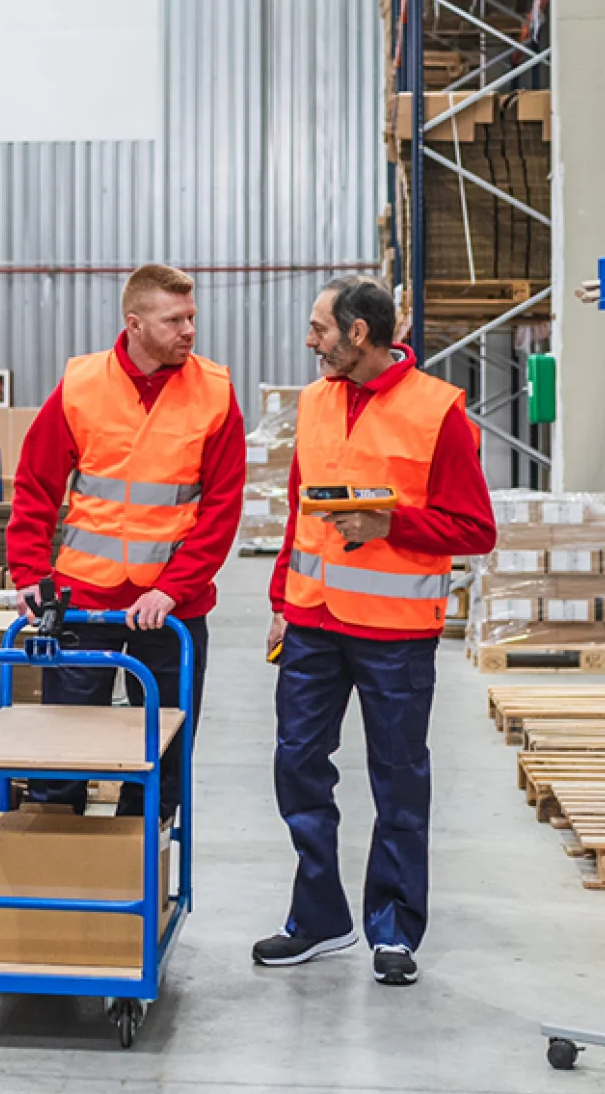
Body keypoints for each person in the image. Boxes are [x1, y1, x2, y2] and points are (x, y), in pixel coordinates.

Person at [253, 275, 496, 987]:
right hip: (311, 619)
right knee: (297, 764)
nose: (309, 341)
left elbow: (476, 528)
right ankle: (319, 917)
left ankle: (392, 927)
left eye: (319, 328)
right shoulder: (315, 400)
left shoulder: (438, 411)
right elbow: (301, 505)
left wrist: (393, 522)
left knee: (397, 779)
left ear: (359, 335)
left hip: (394, 631)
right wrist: (279, 595)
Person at [6, 264, 244, 818]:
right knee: (65, 749)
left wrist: (175, 588)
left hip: (171, 609)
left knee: (162, 754)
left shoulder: (214, 393)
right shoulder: (81, 386)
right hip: (82, 600)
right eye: (174, 320)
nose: (189, 330)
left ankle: (138, 878)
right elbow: (36, 486)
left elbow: (222, 508)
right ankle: (57, 873)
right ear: (134, 324)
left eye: (192, 318)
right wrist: (26, 574)